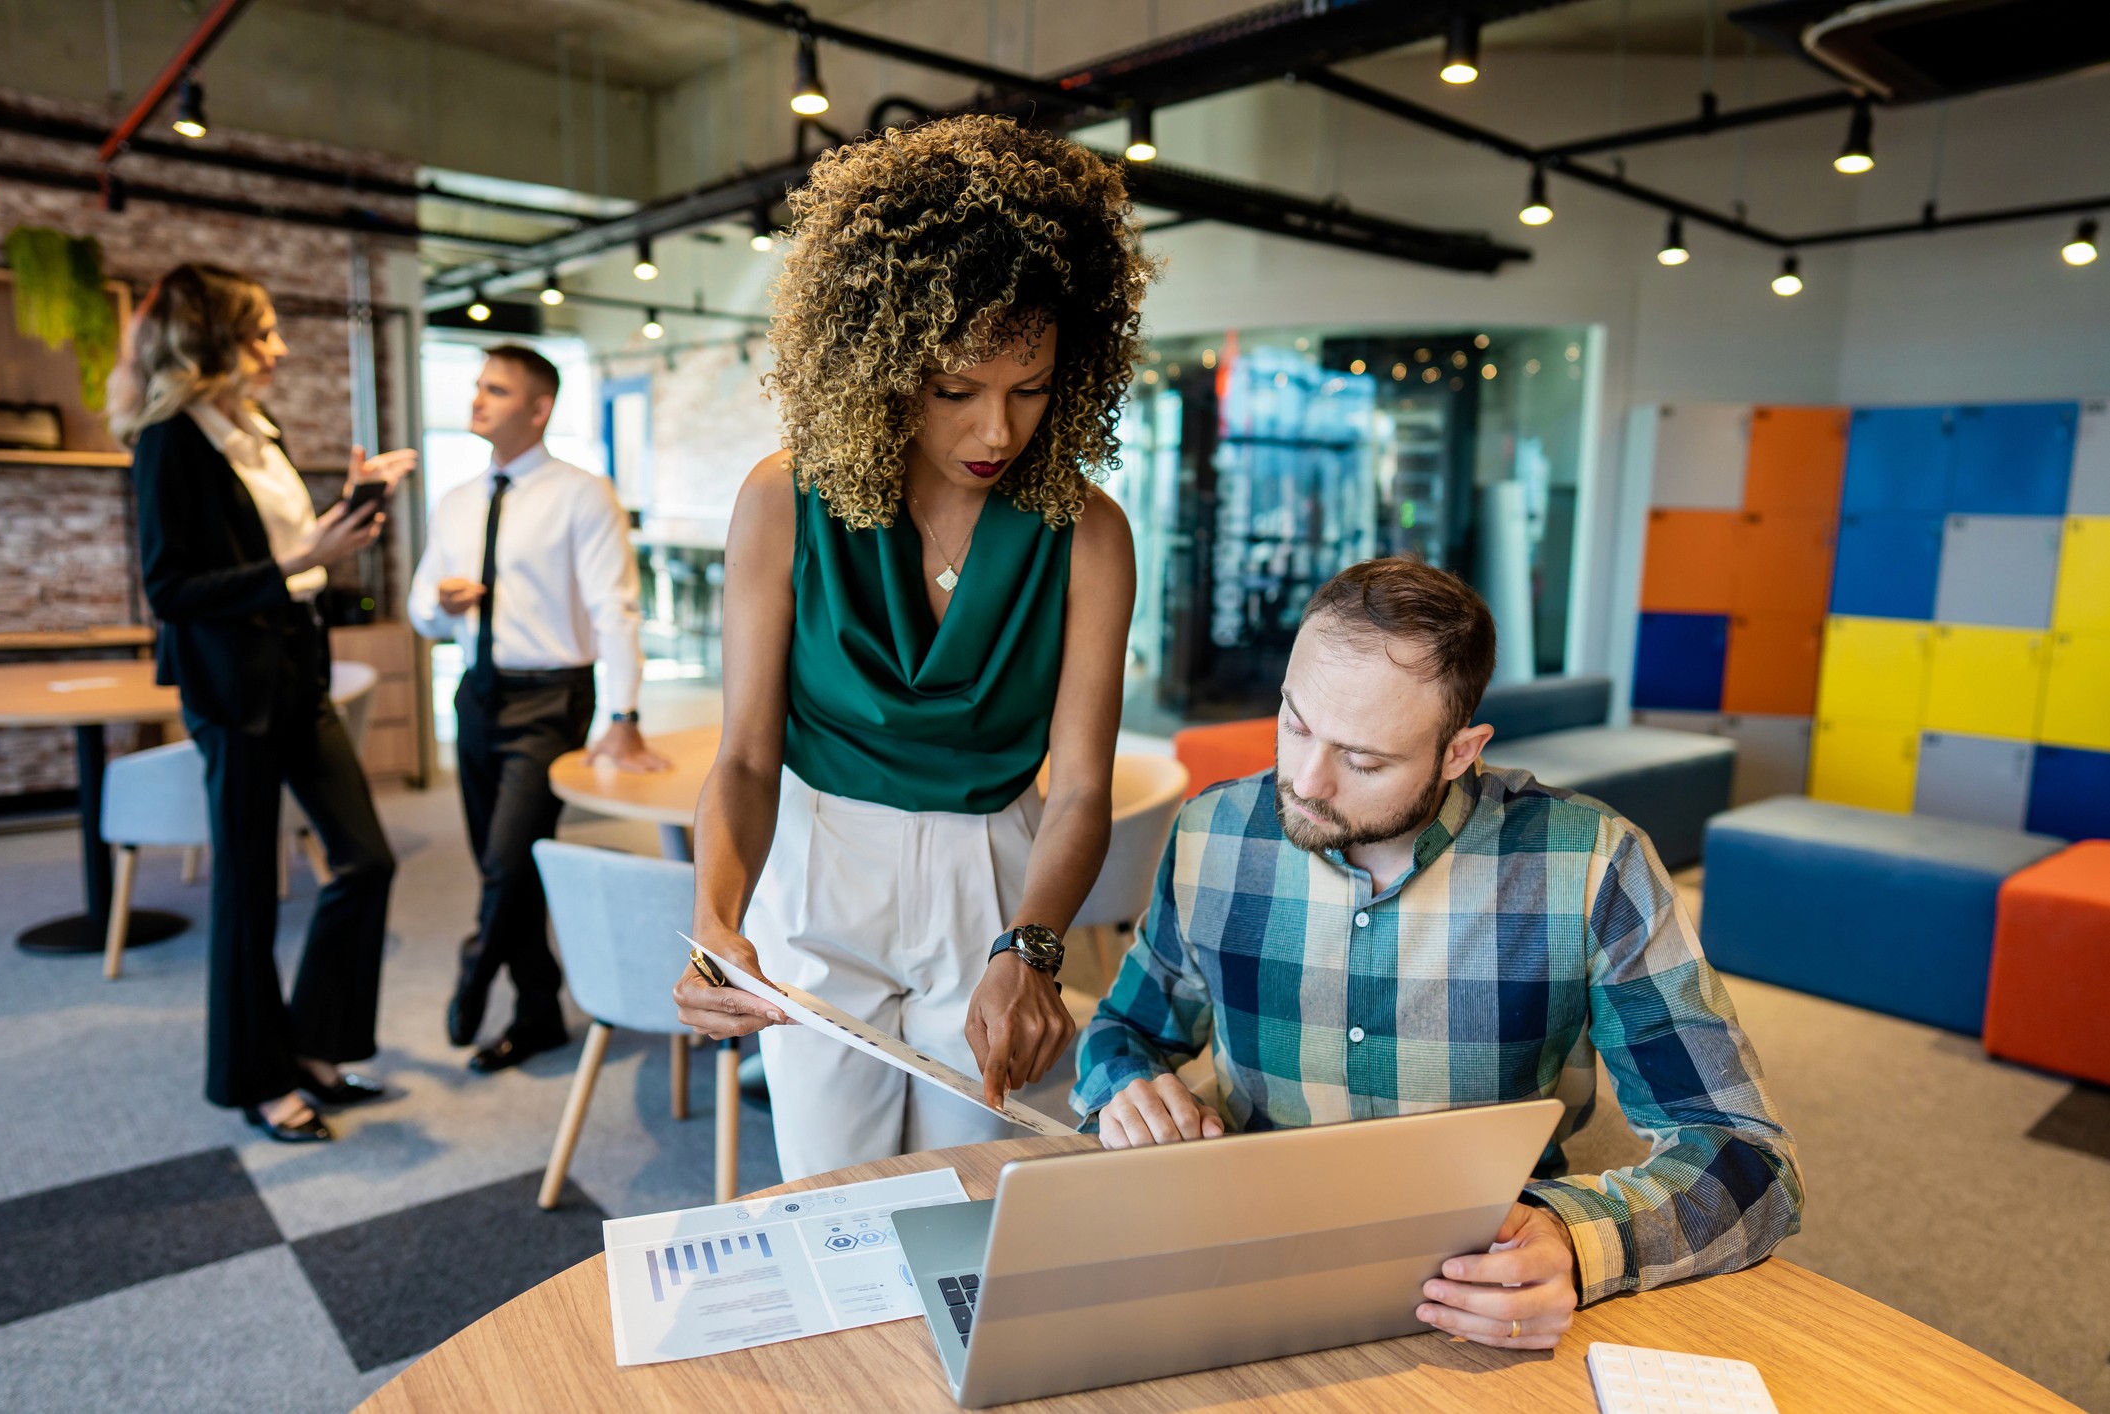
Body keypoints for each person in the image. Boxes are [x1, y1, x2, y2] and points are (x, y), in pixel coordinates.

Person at [1073, 556, 1804, 1350]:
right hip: (1244, 1261)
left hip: (1477, 1287)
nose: (1305, 782)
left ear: (1460, 752)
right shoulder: (1212, 832)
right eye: (1295, 723)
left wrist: (1575, 1241)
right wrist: (1125, 1087)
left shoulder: (1590, 862)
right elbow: (1124, 1031)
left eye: (1364, 759)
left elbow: (1747, 1154)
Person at [670, 115, 1148, 1180]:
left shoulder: (1090, 533)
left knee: (976, 1196)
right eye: (957, 391)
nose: (997, 432)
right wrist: (715, 913)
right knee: (825, 1190)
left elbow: (1078, 792)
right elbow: (745, 758)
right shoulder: (783, 505)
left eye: (1030, 389)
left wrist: (1032, 945)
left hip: (997, 881)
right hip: (822, 868)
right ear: (882, 363)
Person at [118, 263, 411, 1143]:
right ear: (213, 342)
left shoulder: (258, 425)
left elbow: (286, 546)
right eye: (262, 333)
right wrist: (292, 562)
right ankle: (258, 1078)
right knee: (248, 889)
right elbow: (171, 589)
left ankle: (318, 1048)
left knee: (366, 858)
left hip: (294, 666)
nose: (279, 348)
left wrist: (343, 521)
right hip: (230, 688)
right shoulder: (169, 439)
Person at [408, 345, 667, 1074]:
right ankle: (537, 1013)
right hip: (476, 690)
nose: (477, 399)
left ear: (539, 407)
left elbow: (615, 610)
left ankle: (477, 960)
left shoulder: (583, 494)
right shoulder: (457, 501)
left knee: (505, 856)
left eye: (496, 388)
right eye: (475, 387)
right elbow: (420, 612)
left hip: (553, 695)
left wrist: (623, 715)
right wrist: (440, 603)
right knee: (501, 861)